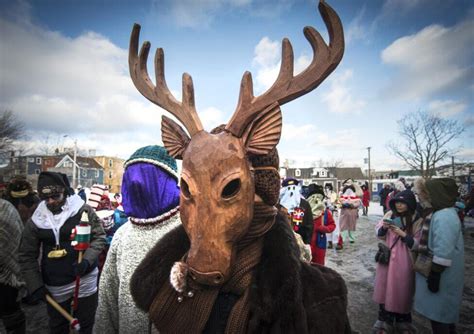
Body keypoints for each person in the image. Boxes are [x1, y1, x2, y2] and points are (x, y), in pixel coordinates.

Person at [94, 145, 182, 334]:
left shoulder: (190, 229)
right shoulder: (122, 235)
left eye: (146, 175)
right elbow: (108, 298)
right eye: (131, 176)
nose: (136, 182)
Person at [19, 172, 106, 334]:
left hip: (84, 278)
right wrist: (35, 284)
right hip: (55, 282)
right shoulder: (37, 219)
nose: (51, 202)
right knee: (58, 326)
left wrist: (87, 261)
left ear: (65, 192)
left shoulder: (82, 209)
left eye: (56, 197)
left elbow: (99, 237)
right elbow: (26, 255)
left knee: (86, 325)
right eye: (47, 199)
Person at [412, 178, 464, 334]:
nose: (420, 197)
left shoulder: (444, 217)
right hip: (443, 275)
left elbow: (443, 250)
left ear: (435, 195)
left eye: (424, 193)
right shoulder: (440, 213)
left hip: (442, 277)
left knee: (440, 317)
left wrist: (435, 274)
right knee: (442, 315)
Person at [372, 190, 422, 334]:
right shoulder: (389, 215)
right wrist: (384, 228)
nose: (399, 206)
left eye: (403, 203)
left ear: (410, 204)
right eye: (397, 202)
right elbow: (379, 234)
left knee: (402, 290)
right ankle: (384, 320)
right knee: (384, 288)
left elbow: (418, 244)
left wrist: (404, 235)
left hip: (405, 260)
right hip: (387, 259)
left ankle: (403, 321)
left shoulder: (417, 219)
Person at [0, 199, 26, 334]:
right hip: (8, 276)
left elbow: (15, 242)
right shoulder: (6, 207)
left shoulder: (5, 209)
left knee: (11, 314)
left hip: (6, 277)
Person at [306, 184, 335, 265]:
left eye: (319, 198)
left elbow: (332, 225)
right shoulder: (304, 212)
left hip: (320, 244)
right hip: (307, 244)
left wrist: (324, 228)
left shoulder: (325, 213)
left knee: (319, 266)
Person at [279, 178, 314, 245]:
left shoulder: (304, 204)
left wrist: (306, 242)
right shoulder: (279, 205)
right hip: (282, 243)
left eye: (294, 188)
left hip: (300, 242)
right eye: (288, 189)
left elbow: (309, 224)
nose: (291, 192)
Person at [339, 179, 362, 244]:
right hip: (344, 213)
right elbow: (339, 204)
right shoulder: (342, 197)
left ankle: (352, 238)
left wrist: (352, 205)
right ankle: (342, 238)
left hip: (352, 213)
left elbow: (358, 204)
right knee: (343, 226)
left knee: (352, 226)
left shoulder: (356, 198)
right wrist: (343, 205)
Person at [324, 183, 343, 250]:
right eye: (326, 187)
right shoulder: (323, 195)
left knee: (336, 228)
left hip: (335, 214)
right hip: (327, 214)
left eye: (329, 187)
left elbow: (339, 203)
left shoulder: (335, 195)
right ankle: (329, 242)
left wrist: (335, 207)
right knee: (327, 228)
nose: (327, 189)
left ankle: (339, 243)